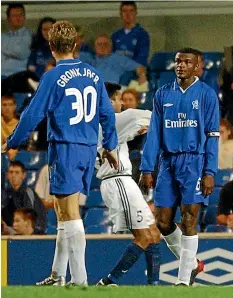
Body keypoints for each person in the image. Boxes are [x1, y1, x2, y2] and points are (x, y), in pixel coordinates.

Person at [2, 21, 119, 287]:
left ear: (52, 46)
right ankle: (58, 274)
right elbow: (106, 113)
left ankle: (80, 281)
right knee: (63, 211)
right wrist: (110, 146)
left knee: (69, 211)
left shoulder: (53, 76)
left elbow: (33, 113)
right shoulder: (92, 73)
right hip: (87, 148)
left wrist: (13, 141)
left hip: (66, 146)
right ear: (76, 45)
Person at [139, 48, 219, 286]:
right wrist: (146, 168)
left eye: (187, 62)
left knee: (189, 220)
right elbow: (154, 132)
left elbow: (213, 134)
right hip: (167, 162)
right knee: (163, 222)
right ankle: (193, 264)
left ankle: (183, 281)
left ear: (197, 66)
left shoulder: (207, 95)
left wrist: (209, 172)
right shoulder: (163, 94)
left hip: (194, 161)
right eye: (178, 61)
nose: (181, 65)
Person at [94, 82, 161, 286]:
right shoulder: (111, 120)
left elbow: (124, 134)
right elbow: (139, 115)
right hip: (118, 182)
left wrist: (137, 131)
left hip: (121, 182)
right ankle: (109, 281)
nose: (121, 103)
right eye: (116, 98)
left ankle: (154, 285)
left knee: (154, 234)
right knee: (144, 237)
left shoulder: (97, 124)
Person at [1, 161, 47, 235]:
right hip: (11, 234)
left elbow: (31, 221)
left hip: (31, 235)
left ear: (23, 175)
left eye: (17, 172)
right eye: (11, 172)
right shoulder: (4, 195)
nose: (13, 175)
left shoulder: (29, 193)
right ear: (7, 175)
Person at [111, 1, 150, 66]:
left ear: (136, 13)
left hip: (133, 73)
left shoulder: (143, 35)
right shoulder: (115, 36)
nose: (128, 14)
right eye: (124, 11)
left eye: (131, 11)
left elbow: (141, 59)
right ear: (121, 14)